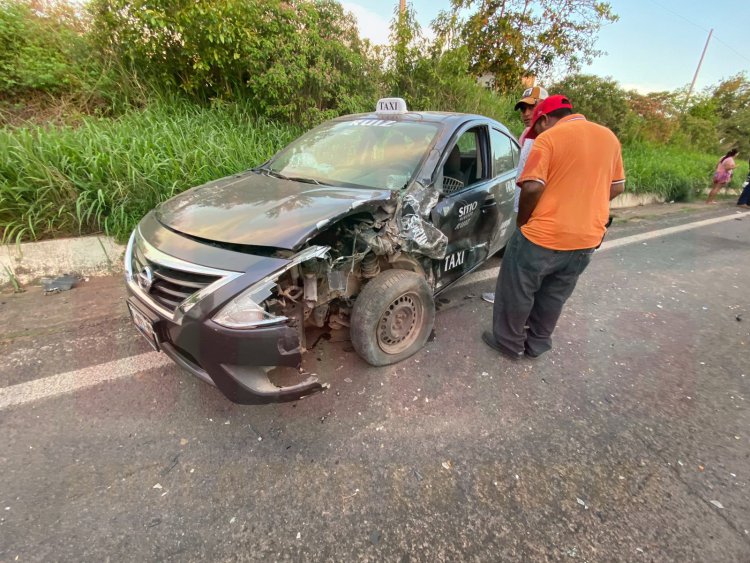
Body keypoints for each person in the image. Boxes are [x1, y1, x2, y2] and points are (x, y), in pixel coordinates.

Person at [482, 95, 625, 360]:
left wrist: (524, 222)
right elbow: (617, 186)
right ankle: (536, 344)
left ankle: (509, 342)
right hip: (587, 239)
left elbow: (533, 186)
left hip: (543, 236)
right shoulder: (609, 138)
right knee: (554, 295)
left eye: (536, 126)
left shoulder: (550, 138)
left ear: (545, 119)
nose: (535, 133)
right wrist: (585, 206)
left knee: (516, 288)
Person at [481, 85, 548, 304]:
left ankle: (518, 305)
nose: (526, 114)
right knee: (515, 257)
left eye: (532, 107)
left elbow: (536, 185)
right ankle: (507, 296)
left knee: (529, 262)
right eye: (523, 109)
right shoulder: (527, 136)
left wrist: (526, 217)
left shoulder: (550, 140)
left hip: (537, 212)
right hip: (522, 207)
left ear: (544, 109)